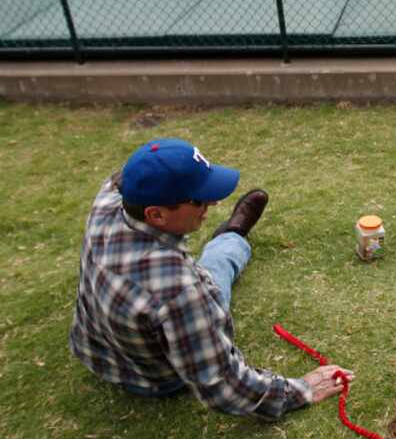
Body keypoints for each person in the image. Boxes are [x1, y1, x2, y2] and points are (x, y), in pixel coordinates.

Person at [69, 138, 353, 419]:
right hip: (152, 378)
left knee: (204, 284)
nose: (213, 201)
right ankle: (232, 237)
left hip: (95, 349)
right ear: (155, 214)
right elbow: (225, 387)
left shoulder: (112, 195)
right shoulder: (178, 291)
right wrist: (302, 390)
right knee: (214, 278)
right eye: (198, 199)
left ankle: (229, 237)